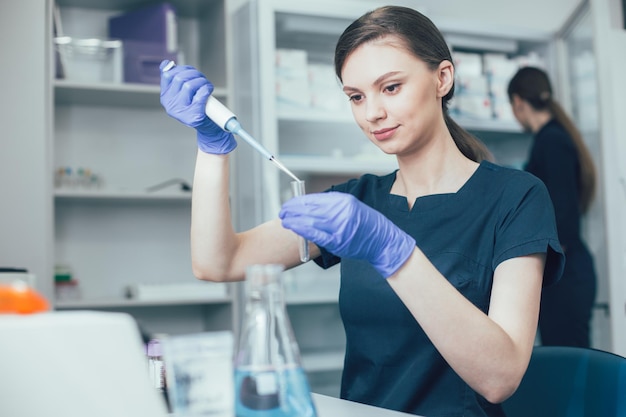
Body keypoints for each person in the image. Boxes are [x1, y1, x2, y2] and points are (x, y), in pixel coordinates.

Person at [160, 6, 564, 417]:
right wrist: (212, 149)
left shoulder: (516, 197)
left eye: (390, 87)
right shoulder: (359, 200)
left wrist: (394, 252)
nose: (371, 113)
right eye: (356, 96)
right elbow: (218, 262)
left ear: (442, 78)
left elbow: (501, 377)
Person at [508, 66, 597, 348]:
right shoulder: (551, 138)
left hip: (567, 278)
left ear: (518, 102)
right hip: (567, 275)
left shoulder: (552, 141)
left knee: (569, 370)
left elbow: (564, 217)